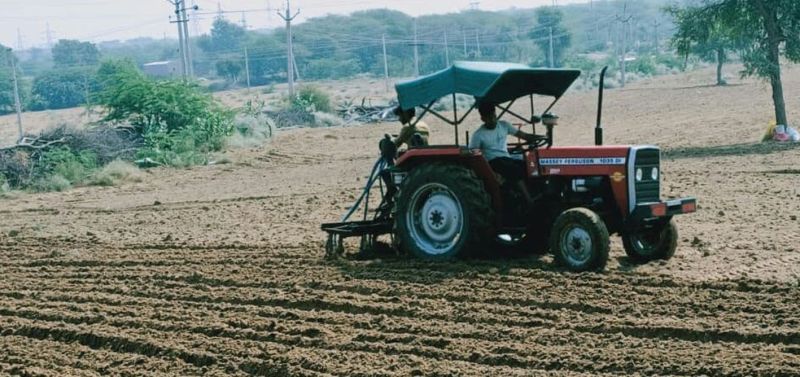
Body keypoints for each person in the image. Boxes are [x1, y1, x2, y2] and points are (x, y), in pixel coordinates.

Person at [469, 101, 541, 206]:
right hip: (493, 162)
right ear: (483, 119)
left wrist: (541, 137)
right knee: (514, 169)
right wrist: (492, 174)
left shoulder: (504, 125)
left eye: (494, 116)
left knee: (528, 166)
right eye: (489, 118)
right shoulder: (478, 135)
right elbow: (474, 154)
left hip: (506, 158)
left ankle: (533, 193)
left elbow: (524, 135)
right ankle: (529, 200)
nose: (493, 120)